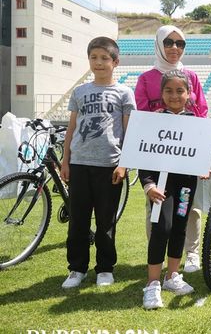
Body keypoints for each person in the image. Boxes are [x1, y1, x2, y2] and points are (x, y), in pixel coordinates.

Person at [60, 37, 136, 288]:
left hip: (109, 165)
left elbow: (129, 131)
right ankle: (76, 268)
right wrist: (66, 160)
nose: (99, 62)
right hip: (80, 163)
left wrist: (124, 164)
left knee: (105, 221)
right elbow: (71, 128)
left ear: (116, 62)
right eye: (94, 57)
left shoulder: (124, 92)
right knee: (78, 220)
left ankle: (105, 268)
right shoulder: (80, 91)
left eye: (104, 58)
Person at [135, 25, 209, 273]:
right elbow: (142, 118)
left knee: (189, 209)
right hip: (158, 160)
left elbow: (202, 113)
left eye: (180, 43)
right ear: (158, 44)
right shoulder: (146, 79)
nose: (175, 48)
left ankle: (191, 253)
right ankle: (156, 256)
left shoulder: (192, 76)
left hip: (186, 160)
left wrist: (199, 157)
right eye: (169, 42)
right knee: (156, 209)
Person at [141, 70, 211, 309]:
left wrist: (202, 168)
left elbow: (199, 156)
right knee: (162, 228)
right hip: (161, 186)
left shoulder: (195, 122)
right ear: (161, 93)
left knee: (180, 226)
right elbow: (143, 155)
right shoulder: (153, 120)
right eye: (169, 90)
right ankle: (152, 284)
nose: (174, 95)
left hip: (185, 187)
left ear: (189, 93)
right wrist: (148, 184)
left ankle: (172, 276)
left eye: (180, 90)